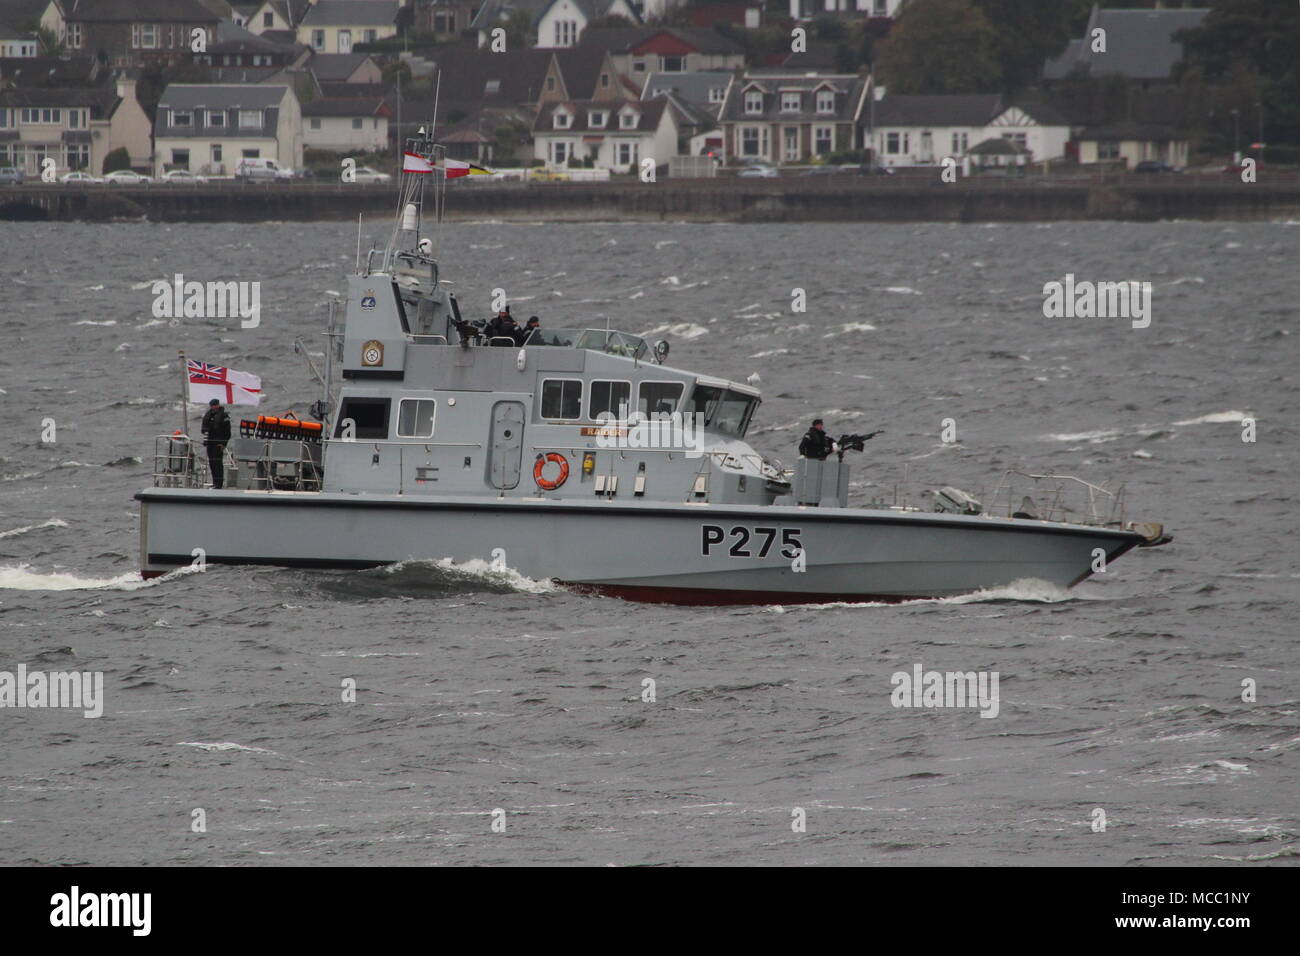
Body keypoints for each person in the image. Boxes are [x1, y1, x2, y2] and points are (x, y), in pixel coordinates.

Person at [200, 398, 231, 489]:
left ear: (218, 405)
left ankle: (219, 484)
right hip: (210, 443)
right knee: (212, 463)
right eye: (212, 405)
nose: (213, 407)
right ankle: (215, 482)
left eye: (215, 405)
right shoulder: (208, 415)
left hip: (218, 443)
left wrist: (223, 443)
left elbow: (227, 432)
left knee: (218, 464)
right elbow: (204, 428)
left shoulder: (224, 416)